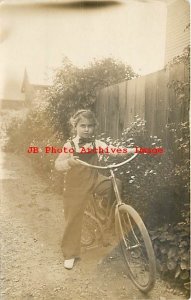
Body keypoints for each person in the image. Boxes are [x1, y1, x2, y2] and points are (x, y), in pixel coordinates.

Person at [55, 109, 134, 269]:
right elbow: (57, 165)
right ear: (75, 126)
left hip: (94, 179)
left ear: (94, 127)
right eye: (83, 125)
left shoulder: (96, 143)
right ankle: (70, 254)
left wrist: (131, 150)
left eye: (90, 126)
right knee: (73, 219)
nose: (86, 129)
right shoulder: (70, 145)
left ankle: (103, 211)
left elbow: (114, 151)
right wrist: (69, 162)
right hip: (75, 185)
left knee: (115, 184)